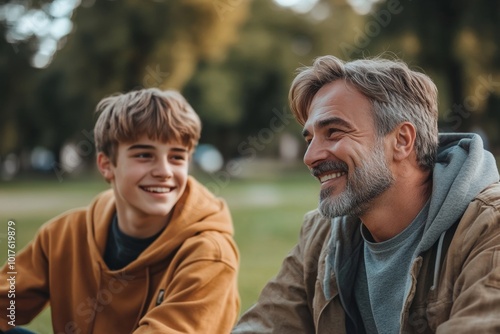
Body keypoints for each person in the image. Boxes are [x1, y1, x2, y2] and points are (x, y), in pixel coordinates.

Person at [233, 55, 500, 333]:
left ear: (402, 141)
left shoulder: (488, 228)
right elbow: (264, 325)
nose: (310, 157)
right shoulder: (321, 235)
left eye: (334, 132)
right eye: (310, 139)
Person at [0, 88, 240, 333]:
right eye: (145, 155)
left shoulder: (210, 254)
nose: (164, 171)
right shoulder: (63, 234)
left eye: (177, 157)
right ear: (106, 165)